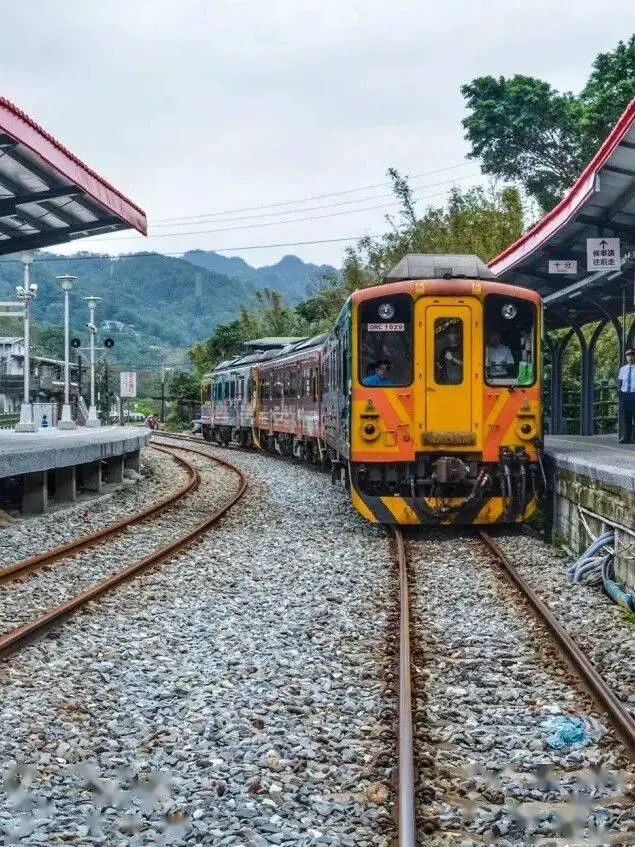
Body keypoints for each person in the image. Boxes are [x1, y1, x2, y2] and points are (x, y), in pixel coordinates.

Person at [618, 348, 635, 443]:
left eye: (632, 354)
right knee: (627, 417)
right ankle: (626, 438)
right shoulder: (623, 369)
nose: (630, 357)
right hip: (625, 394)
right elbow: (620, 382)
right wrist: (620, 393)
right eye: (628, 355)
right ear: (626, 357)